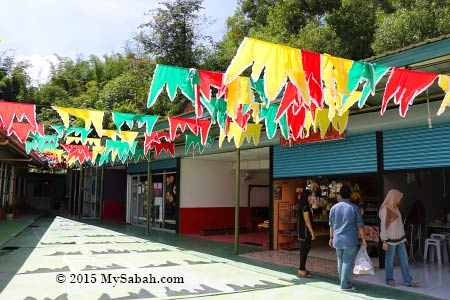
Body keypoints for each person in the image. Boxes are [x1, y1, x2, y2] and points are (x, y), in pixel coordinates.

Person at [329, 184, 367, 291]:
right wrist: (364, 240)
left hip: (337, 239)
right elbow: (360, 225)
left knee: (340, 260)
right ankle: (345, 285)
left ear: (340, 195)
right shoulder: (354, 208)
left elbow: (331, 225)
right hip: (350, 239)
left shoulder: (333, 208)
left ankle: (342, 282)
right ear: (350, 195)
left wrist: (331, 237)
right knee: (347, 261)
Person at [379, 189, 420, 287]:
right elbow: (383, 226)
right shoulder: (385, 209)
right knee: (389, 261)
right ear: (393, 197)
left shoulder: (396, 208)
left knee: (404, 259)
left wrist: (404, 237)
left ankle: (408, 280)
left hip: (400, 239)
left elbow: (400, 225)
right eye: (398, 197)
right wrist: (384, 240)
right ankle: (389, 279)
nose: (399, 200)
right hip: (390, 240)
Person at [297, 190, 316, 278]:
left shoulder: (301, 206)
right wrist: (312, 232)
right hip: (305, 232)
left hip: (302, 231)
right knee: (305, 250)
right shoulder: (305, 207)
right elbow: (307, 220)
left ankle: (302, 268)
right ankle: (301, 270)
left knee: (304, 250)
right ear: (306, 197)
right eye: (309, 196)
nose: (310, 198)